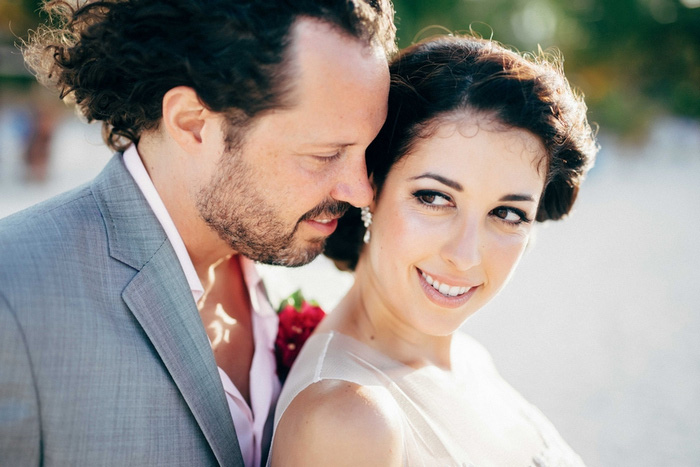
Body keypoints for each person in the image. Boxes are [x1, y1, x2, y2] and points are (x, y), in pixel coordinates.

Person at [0, 0, 396, 465]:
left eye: (368, 150)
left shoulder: (293, 266)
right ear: (191, 123)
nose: (362, 193)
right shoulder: (15, 297)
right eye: (325, 154)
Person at [269, 35, 598, 466]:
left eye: (508, 213)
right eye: (434, 198)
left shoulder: (467, 357)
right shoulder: (346, 420)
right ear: (371, 184)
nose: (465, 256)